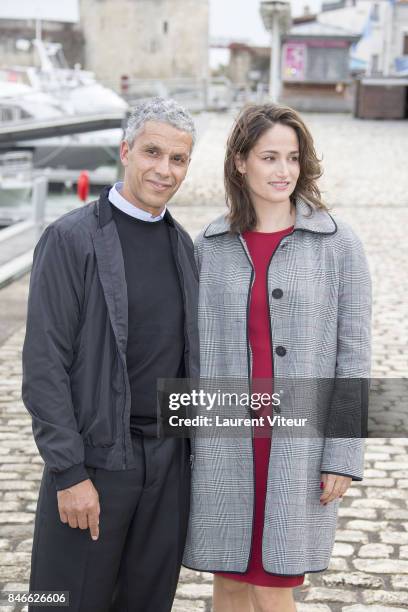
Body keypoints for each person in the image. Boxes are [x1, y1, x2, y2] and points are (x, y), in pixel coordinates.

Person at [182, 103, 371, 612]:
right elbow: (188, 354)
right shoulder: (210, 246)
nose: (283, 170)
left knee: (273, 588)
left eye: (292, 157)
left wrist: (343, 455)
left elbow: (354, 357)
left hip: (299, 448)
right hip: (224, 447)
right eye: (269, 157)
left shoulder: (338, 244)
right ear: (241, 162)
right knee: (230, 583)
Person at [22, 97, 199, 612]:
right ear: (125, 150)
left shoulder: (183, 247)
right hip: (96, 465)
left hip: (166, 466)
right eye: (152, 152)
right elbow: (43, 367)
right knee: (65, 603)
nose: (164, 170)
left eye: (178, 159)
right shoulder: (70, 239)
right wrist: (69, 473)